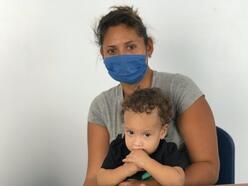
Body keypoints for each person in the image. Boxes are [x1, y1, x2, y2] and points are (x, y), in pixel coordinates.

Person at [84, 5, 219, 186]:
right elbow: (94, 179)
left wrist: (149, 185)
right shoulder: (101, 106)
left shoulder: (180, 89)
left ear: (148, 46)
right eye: (112, 51)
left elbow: (208, 168)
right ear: (103, 54)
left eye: (131, 47)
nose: (122, 57)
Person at [97, 88, 185, 186]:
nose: (137, 142)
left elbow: (178, 182)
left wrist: (146, 162)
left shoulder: (167, 150)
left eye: (146, 135)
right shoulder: (118, 148)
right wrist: (126, 169)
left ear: (162, 132)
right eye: (130, 132)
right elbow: (101, 180)